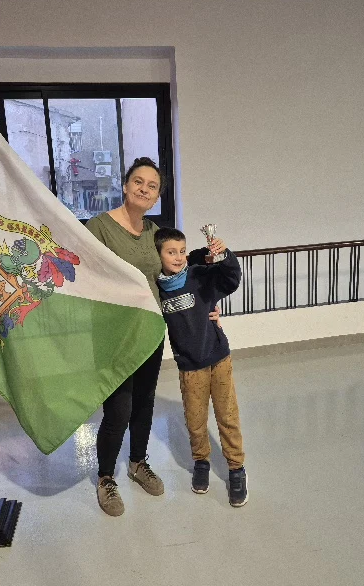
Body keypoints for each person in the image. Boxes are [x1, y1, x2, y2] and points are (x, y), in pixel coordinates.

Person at [86, 157, 221, 516]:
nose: (144, 189)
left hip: (149, 331)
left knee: (144, 402)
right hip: (113, 335)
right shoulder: (99, 227)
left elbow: (177, 272)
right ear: (125, 184)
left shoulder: (153, 232)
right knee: (118, 409)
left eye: (152, 186)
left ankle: (137, 463)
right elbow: (85, 276)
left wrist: (208, 303)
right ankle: (105, 477)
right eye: (138, 182)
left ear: (157, 195)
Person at [154, 227, 248, 507]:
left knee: (227, 416)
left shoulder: (198, 276)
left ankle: (236, 469)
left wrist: (224, 254)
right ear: (158, 255)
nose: (178, 257)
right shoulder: (156, 290)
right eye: (171, 252)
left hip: (218, 359)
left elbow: (230, 279)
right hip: (190, 367)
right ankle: (201, 463)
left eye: (182, 251)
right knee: (195, 421)